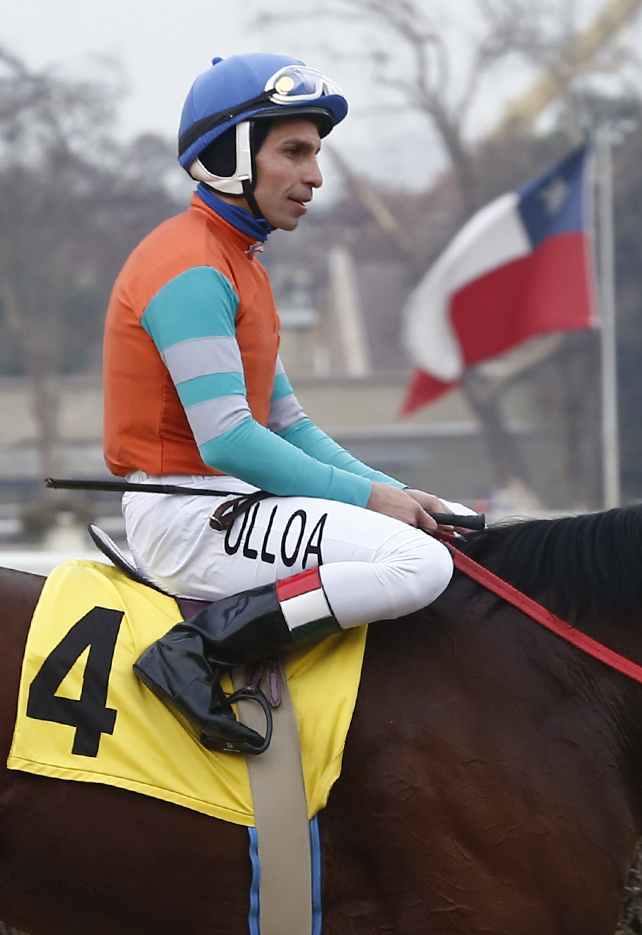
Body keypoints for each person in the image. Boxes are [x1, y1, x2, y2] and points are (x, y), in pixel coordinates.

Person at [104, 53, 460, 756]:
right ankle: (198, 649)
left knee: (444, 528)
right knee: (418, 566)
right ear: (231, 155)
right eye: (294, 152)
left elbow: (290, 427)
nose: (315, 176)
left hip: (226, 505)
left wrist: (397, 493)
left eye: (316, 154)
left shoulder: (241, 264)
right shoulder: (189, 266)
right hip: (186, 516)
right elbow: (228, 439)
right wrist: (372, 500)